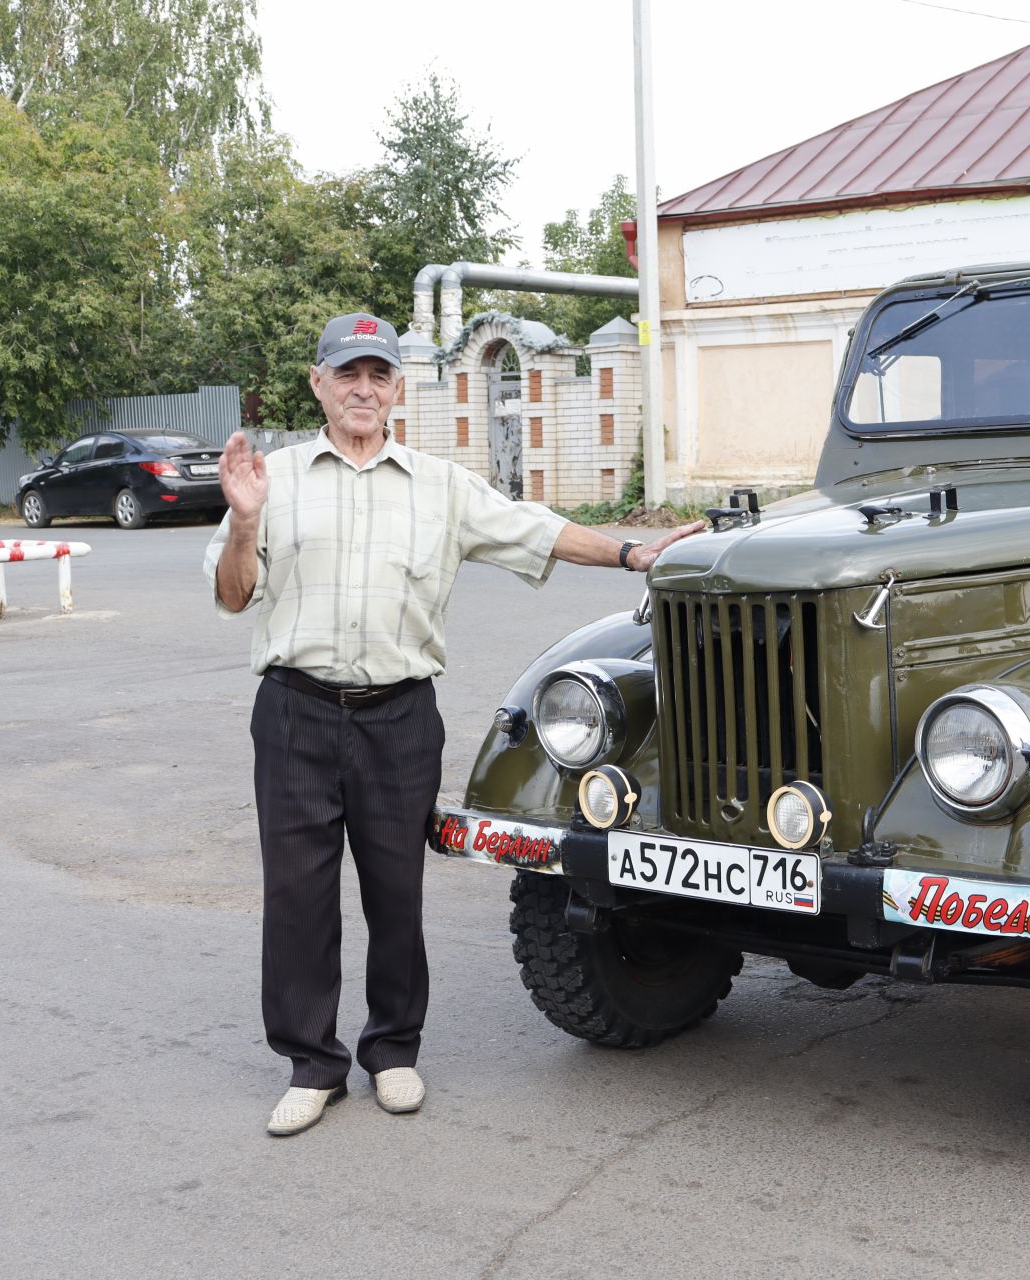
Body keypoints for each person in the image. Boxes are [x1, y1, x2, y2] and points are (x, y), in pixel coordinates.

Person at [205, 312, 702, 1137]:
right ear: (317, 384)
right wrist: (247, 521)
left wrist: (627, 554)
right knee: (297, 896)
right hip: (294, 712)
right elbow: (231, 595)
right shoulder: (273, 478)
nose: (363, 390)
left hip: (398, 716)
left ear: (398, 390)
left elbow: (533, 530)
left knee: (396, 890)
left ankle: (393, 1051)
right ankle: (311, 1064)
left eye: (379, 375)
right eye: (347, 374)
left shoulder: (439, 486)